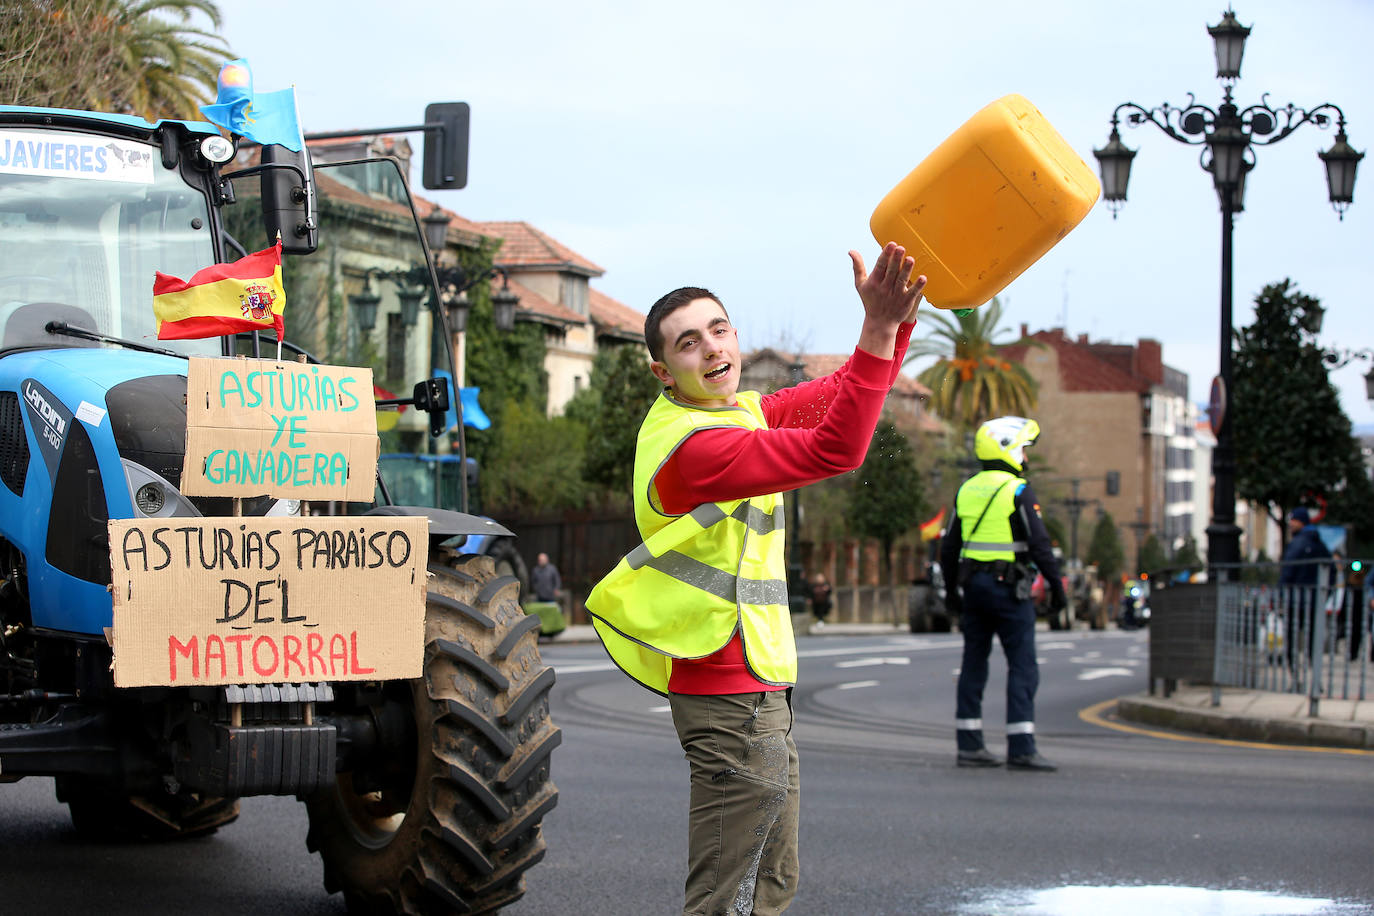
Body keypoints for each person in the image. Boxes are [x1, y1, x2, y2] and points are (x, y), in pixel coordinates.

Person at [586, 242, 927, 915]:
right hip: (725, 686)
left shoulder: (741, 412)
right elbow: (840, 447)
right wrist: (881, 325)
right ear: (663, 370)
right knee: (729, 895)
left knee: (770, 878)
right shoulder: (697, 445)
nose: (712, 349)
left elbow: (855, 389)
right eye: (689, 343)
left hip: (755, 681)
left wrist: (896, 317)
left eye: (720, 329)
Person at [939, 416, 1065, 772]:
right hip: (1010, 590)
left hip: (974, 588)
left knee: (974, 665)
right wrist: (1058, 588)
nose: (1025, 458)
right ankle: (1021, 747)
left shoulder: (967, 489)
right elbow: (1040, 545)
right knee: (1023, 666)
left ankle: (969, 745)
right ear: (1007, 449)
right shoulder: (1017, 491)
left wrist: (951, 592)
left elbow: (949, 549)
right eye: (1023, 449)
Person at [1279, 506, 1331, 676]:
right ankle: (1315, 679)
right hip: (1315, 600)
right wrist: (1325, 594)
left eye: (1293, 520)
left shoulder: (1297, 543)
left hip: (1296, 600)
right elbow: (1331, 570)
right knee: (1313, 640)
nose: (1291, 524)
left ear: (1301, 521)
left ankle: (1295, 676)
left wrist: (1281, 596)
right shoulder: (1320, 543)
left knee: (1293, 640)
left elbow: (1287, 572)